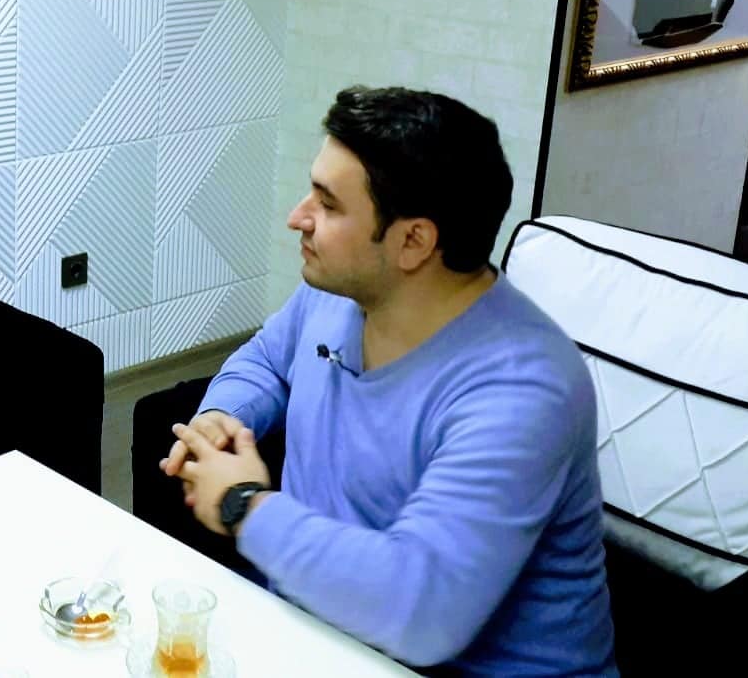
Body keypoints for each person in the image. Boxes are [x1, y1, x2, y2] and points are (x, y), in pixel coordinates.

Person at [154, 87, 616, 675]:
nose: (297, 217)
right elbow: (267, 360)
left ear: (413, 241)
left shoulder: (524, 391)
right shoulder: (341, 292)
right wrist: (224, 416)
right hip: (321, 636)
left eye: (327, 205)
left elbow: (421, 613)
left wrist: (244, 504)